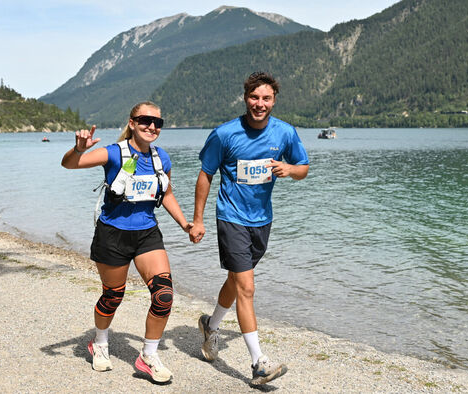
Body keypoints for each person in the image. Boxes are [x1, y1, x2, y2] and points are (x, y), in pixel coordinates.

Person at [189, 72, 310, 385]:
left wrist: (290, 169)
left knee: (235, 279)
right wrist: (198, 219)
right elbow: (205, 175)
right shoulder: (225, 134)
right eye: (254, 98)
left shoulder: (284, 132)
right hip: (231, 217)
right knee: (246, 287)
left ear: (273, 100)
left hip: (262, 221)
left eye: (266, 98)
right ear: (245, 98)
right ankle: (258, 363)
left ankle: (210, 325)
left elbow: (303, 168)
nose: (260, 104)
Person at [61, 101, 192, 383]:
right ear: (132, 123)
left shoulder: (162, 159)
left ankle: (148, 356)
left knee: (164, 296)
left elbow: (166, 194)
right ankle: (100, 342)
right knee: (113, 296)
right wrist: (79, 149)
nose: (152, 126)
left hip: (147, 234)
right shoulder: (113, 153)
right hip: (112, 234)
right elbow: (70, 164)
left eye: (158, 122)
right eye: (145, 120)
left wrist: (185, 224)